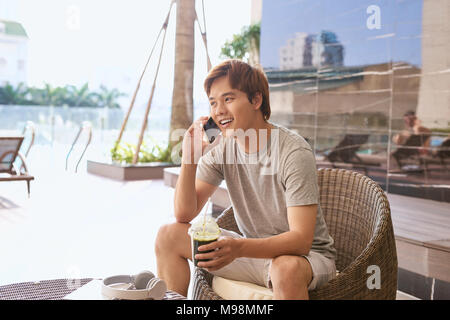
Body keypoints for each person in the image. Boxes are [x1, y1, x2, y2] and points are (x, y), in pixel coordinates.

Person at [155, 59, 336, 300]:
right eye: (213, 102)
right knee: (168, 236)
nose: (218, 111)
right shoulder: (222, 149)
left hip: (306, 259)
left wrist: (239, 248)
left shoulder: (293, 152)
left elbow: (301, 240)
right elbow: (184, 215)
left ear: (256, 100)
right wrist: (189, 160)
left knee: (285, 268)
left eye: (228, 99)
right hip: (254, 254)